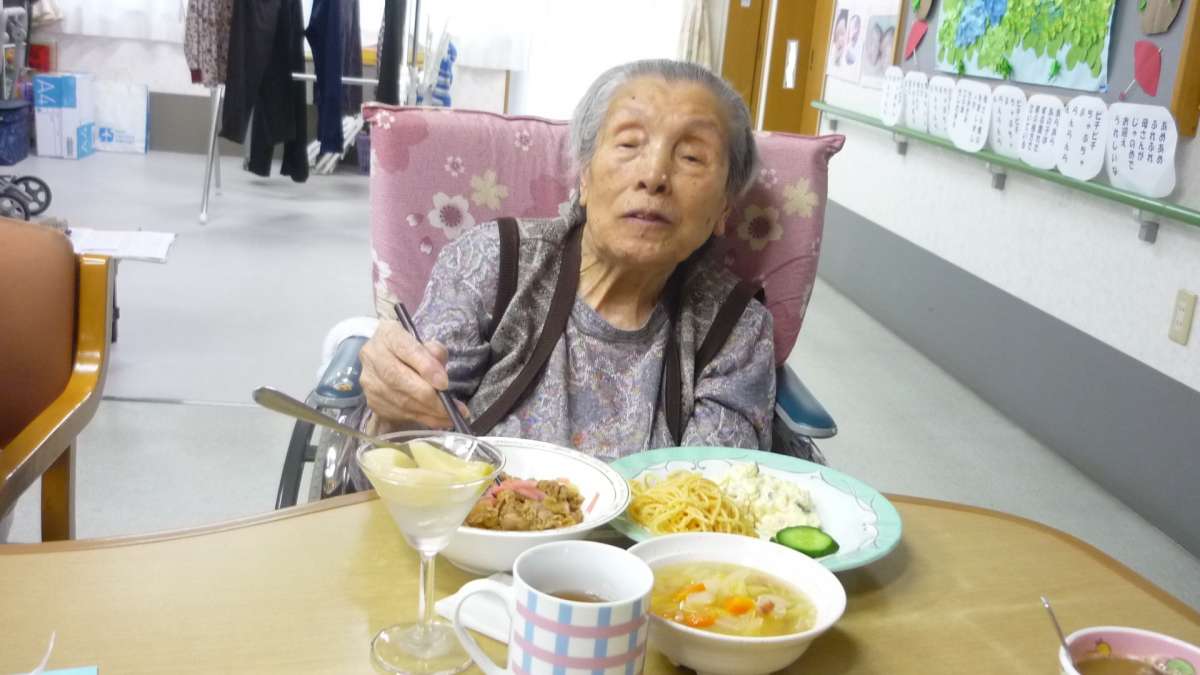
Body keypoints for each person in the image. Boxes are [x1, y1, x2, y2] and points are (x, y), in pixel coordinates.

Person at [359, 59, 775, 460]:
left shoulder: (735, 328)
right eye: (629, 143)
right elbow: (403, 454)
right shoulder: (492, 262)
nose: (653, 176)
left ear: (725, 206)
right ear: (585, 177)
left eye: (692, 157)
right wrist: (392, 410)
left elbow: (714, 491)